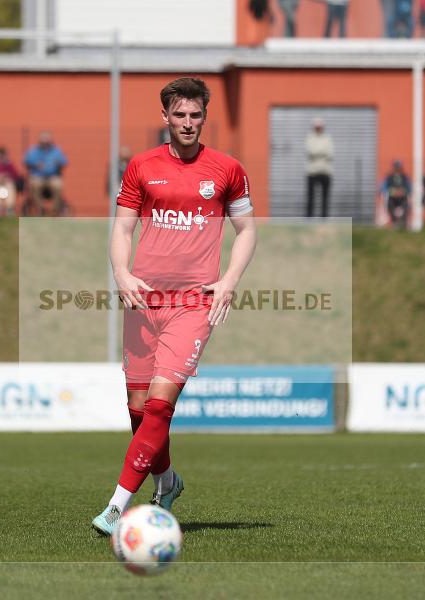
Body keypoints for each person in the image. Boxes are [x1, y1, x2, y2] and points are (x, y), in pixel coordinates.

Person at [91, 77, 257, 535]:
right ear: (165, 117)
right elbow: (122, 229)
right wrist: (122, 274)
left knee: (161, 408)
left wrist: (227, 282)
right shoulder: (141, 166)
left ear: (205, 117)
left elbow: (247, 231)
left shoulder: (227, 169)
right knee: (139, 410)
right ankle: (167, 480)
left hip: (193, 304)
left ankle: (116, 507)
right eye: (179, 115)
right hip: (143, 301)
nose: (187, 123)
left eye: (195, 115)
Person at [24, 131, 68, 217]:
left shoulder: (56, 151)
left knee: (58, 185)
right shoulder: (34, 151)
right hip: (38, 177)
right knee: (34, 185)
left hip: (52, 177)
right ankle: (41, 209)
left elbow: (64, 161)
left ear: (50, 141)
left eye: (47, 140)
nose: (45, 142)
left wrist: (58, 162)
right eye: (43, 140)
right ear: (40, 141)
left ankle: (54, 211)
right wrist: (35, 163)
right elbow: (26, 160)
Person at [305, 118, 334, 218]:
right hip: (312, 172)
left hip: (325, 172)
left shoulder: (327, 138)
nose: (318, 129)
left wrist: (317, 153)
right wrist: (321, 152)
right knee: (310, 197)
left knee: (325, 198)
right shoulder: (310, 138)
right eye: (316, 127)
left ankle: (324, 218)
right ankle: (309, 218)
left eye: (320, 127)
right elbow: (310, 151)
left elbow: (330, 153)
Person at [381, 160, 411, 229]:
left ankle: (403, 222)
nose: (397, 169)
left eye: (399, 167)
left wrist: (403, 191)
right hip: (392, 198)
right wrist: (392, 192)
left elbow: (409, 188)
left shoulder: (405, 177)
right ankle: (394, 222)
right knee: (389, 206)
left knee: (406, 206)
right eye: (396, 167)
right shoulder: (389, 177)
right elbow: (383, 187)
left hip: (403, 197)